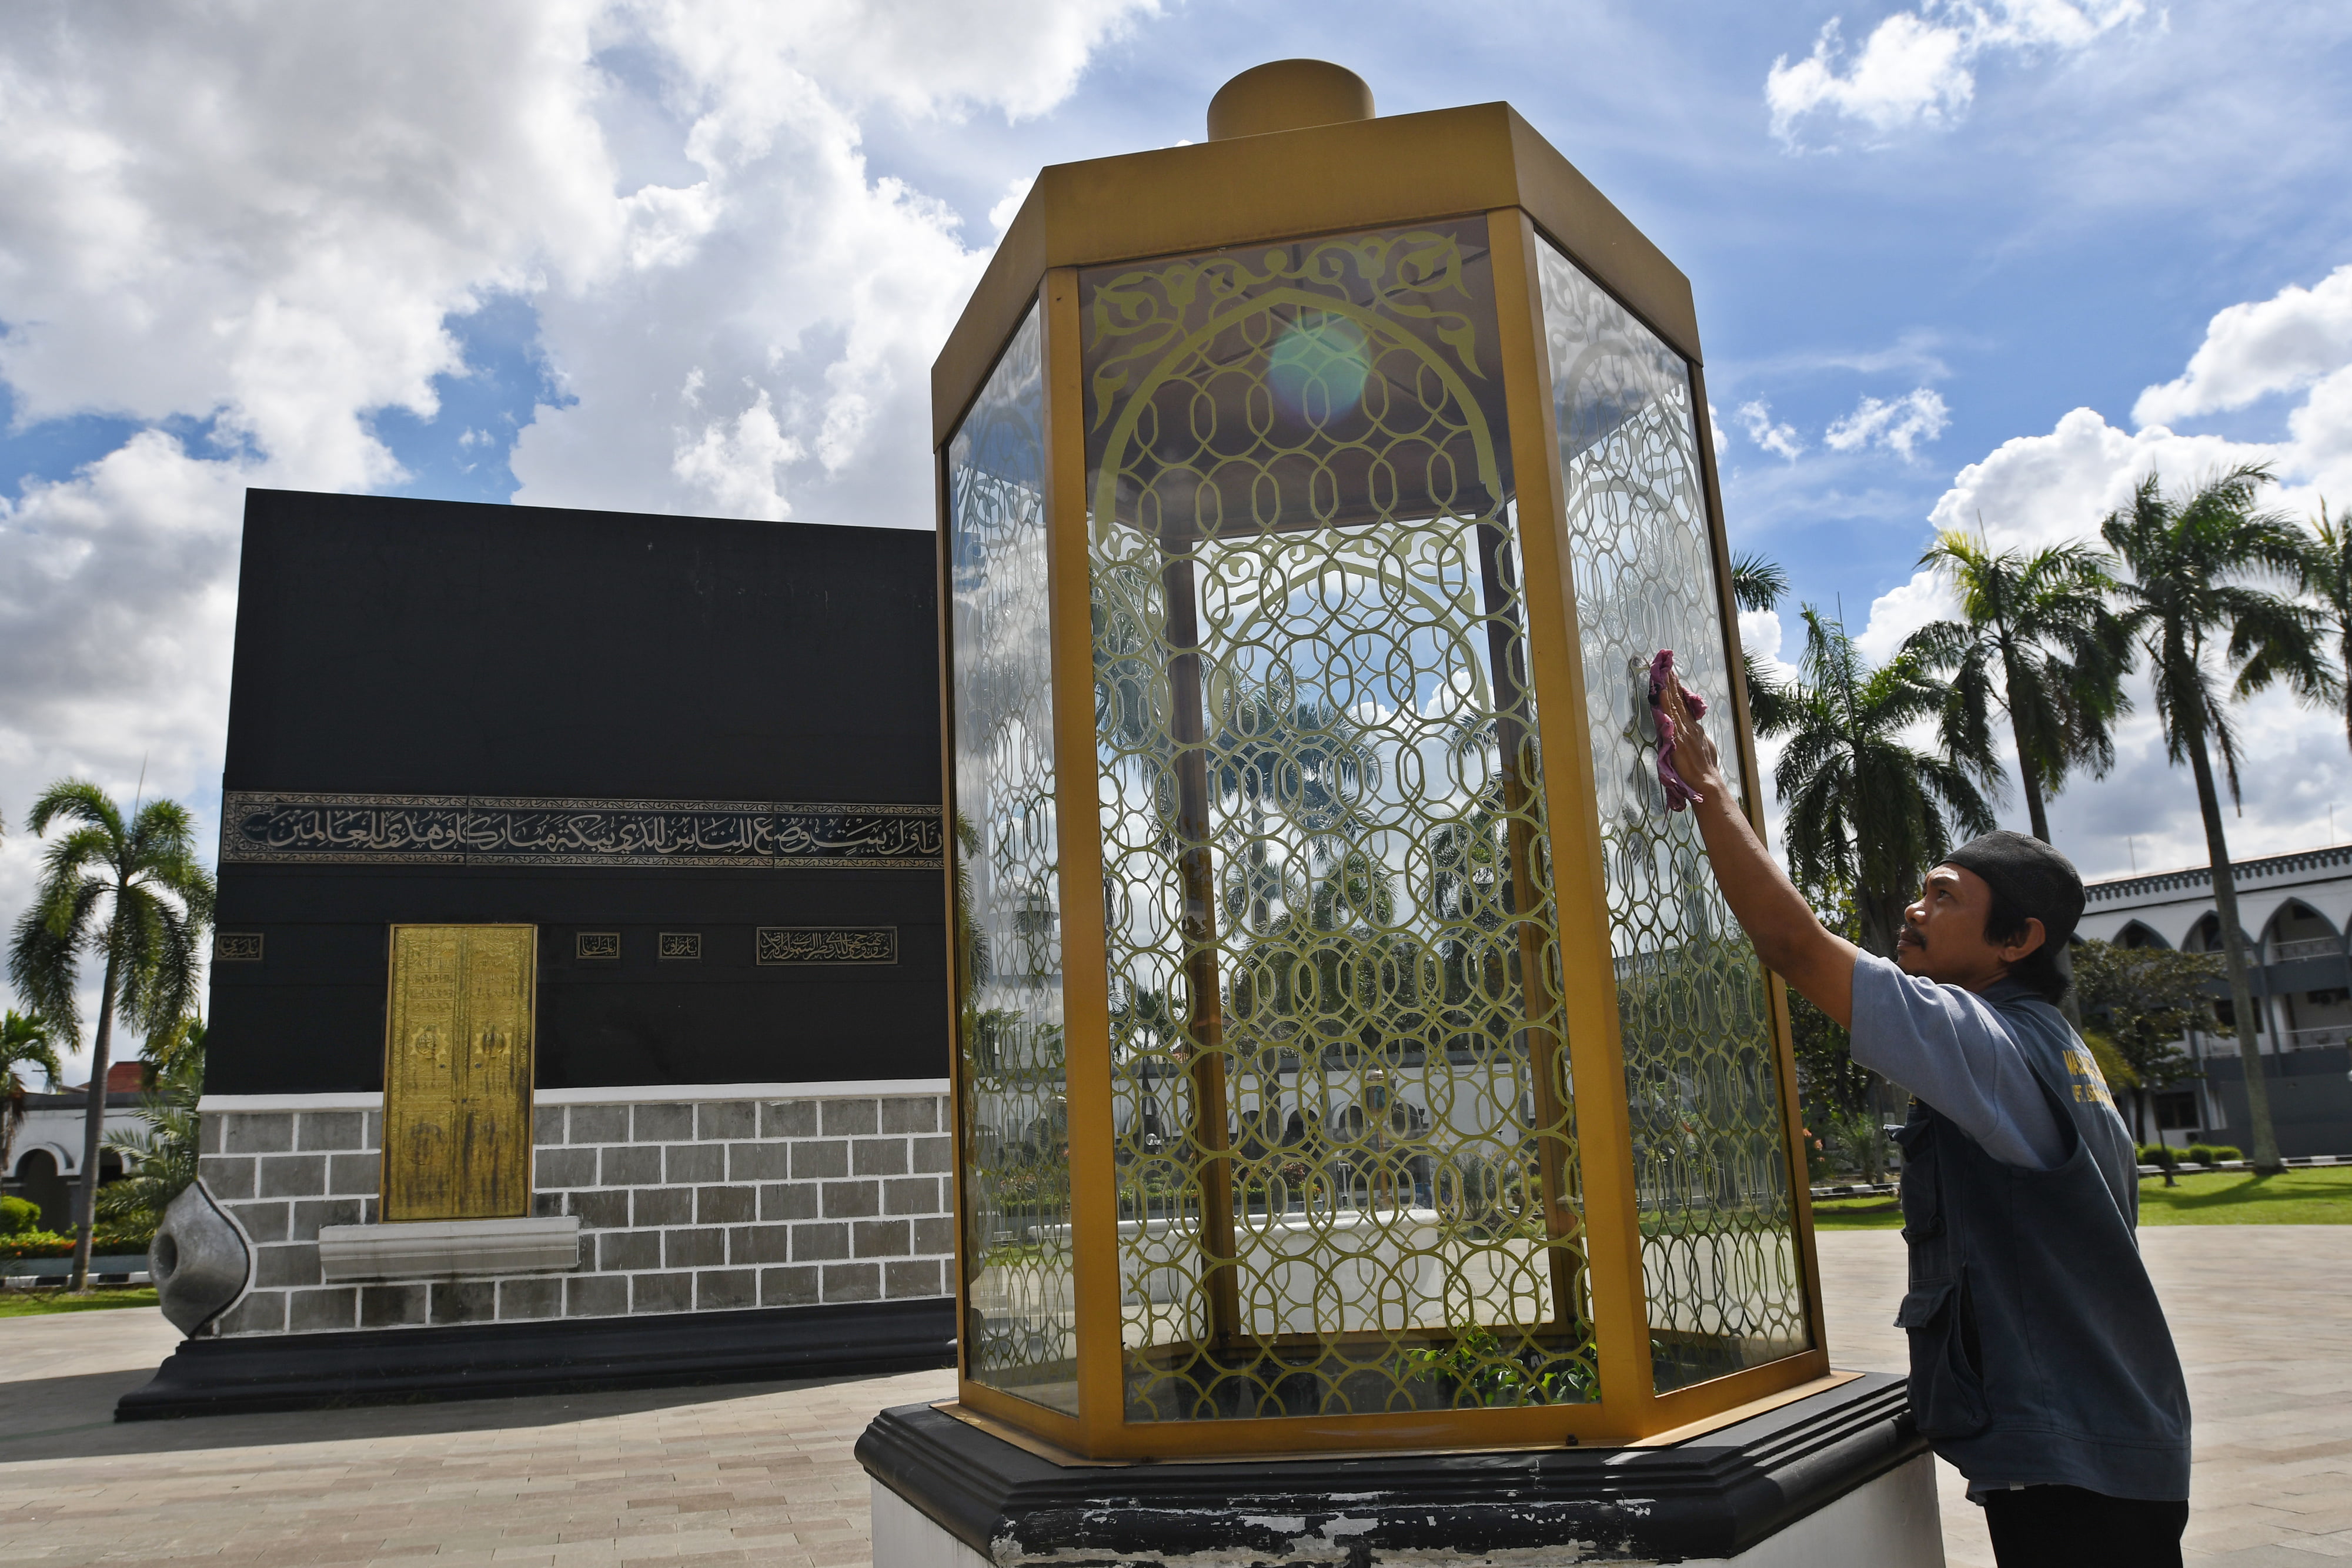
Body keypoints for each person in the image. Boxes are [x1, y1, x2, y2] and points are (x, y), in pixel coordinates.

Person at [1656, 678, 2191, 1568]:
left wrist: (1707, 786)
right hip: (2107, 1446)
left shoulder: (1988, 1041)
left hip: (2077, 1465)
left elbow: (1794, 947)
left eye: (1944, 897)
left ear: (2018, 940)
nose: (1915, 908)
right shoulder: (2051, 1044)